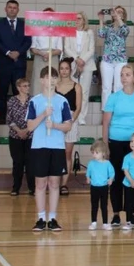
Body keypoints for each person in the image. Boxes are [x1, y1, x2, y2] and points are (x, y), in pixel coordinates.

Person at [102, 65, 134, 227]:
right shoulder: (113, 98)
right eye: (122, 75)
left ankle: (131, 214)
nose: (124, 78)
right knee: (116, 178)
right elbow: (106, 123)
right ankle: (116, 214)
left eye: (128, 74)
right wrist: (105, 145)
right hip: (116, 142)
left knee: (133, 179)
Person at [26, 67, 73, 232]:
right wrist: (43, 115)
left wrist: (54, 125)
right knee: (40, 184)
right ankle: (40, 218)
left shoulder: (62, 101)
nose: (51, 80)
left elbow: (68, 126)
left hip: (57, 146)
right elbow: (30, 126)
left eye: (54, 77)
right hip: (39, 146)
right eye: (47, 77)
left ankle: (52, 218)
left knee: (54, 183)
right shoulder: (34, 101)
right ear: (41, 80)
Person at [0, 0, 32, 124]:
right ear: (5, 9)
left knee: (19, 91)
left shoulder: (23, 24)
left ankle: (19, 117)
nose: (12, 9)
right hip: (3, 63)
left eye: (14, 8)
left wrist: (18, 53)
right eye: (10, 7)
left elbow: (28, 42)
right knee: (2, 91)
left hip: (19, 64)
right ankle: (2, 117)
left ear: (18, 10)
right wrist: (8, 52)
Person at [63, 12, 96, 126]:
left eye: (79, 18)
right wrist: (77, 59)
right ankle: (72, 115)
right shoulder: (69, 31)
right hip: (73, 64)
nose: (77, 20)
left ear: (84, 20)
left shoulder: (89, 32)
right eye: (75, 19)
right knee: (73, 91)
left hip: (87, 64)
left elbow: (91, 49)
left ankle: (82, 117)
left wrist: (83, 60)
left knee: (84, 91)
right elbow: (66, 48)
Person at [56, 58, 83, 195]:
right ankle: (55, 182)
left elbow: (78, 107)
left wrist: (70, 121)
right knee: (56, 153)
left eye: (66, 68)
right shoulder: (54, 85)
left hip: (71, 119)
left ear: (70, 70)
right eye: (62, 68)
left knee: (67, 153)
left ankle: (64, 184)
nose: (64, 71)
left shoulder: (77, 86)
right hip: (56, 121)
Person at [97, 6, 129, 110]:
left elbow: (125, 31)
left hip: (120, 61)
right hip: (107, 60)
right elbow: (101, 34)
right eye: (115, 12)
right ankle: (106, 110)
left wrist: (118, 18)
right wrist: (101, 19)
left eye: (120, 12)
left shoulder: (125, 27)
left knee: (118, 86)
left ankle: (118, 110)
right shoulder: (108, 27)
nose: (117, 13)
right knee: (106, 87)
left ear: (123, 16)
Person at [7, 78, 34, 196]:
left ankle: (32, 188)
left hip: (30, 135)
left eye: (28, 85)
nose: (27, 88)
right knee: (17, 162)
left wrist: (26, 130)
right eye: (25, 86)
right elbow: (9, 119)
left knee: (30, 163)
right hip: (15, 136)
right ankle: (15, 188)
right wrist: (19, 131)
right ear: (18, 87)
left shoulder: (33, 100)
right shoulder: (12, 101)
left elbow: (35, 118)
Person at [29, 7, 63, 96]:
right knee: (38, 81)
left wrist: (50, 54)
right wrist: (42, 53)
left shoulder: (57, 30)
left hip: (53, 57)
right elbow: (33, 47)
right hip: (39, 57)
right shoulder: (36, 29)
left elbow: (59, 49)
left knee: (52, 80)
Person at [86, 140, 115, 231]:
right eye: (93, 153)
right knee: (94, 205)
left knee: (104, 205)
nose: (94, 155)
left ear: (103, 153)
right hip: (94, 187)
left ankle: (105, 223)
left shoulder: (107, 163)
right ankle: (93, 222)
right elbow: (88, 172)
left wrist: (111, 179)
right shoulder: (91, 163)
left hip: (104, 187)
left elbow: (112, 173)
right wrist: (88, 178)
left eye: (96, 152)